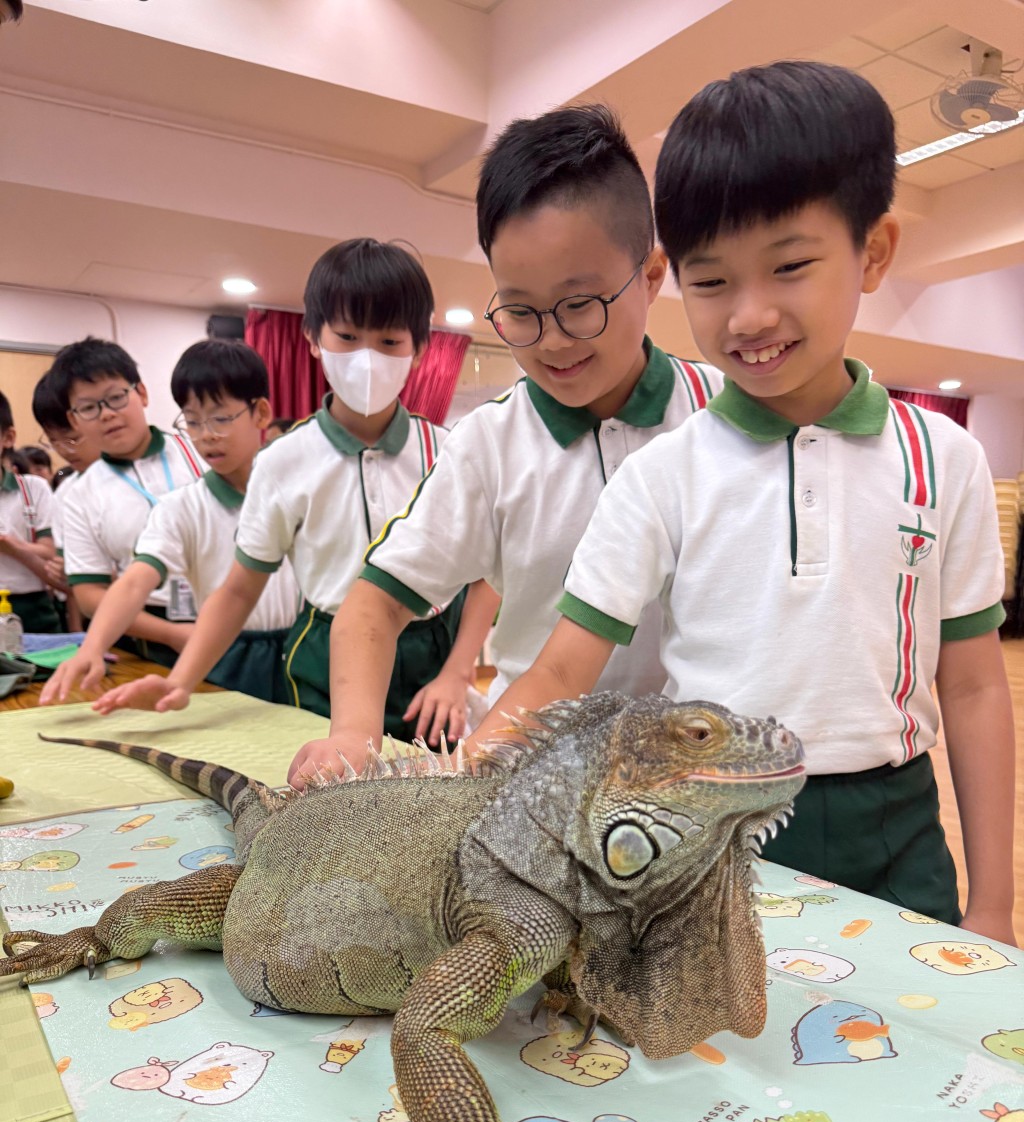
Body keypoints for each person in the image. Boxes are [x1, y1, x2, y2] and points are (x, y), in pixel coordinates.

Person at [472, 62, 1013, 943]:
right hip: (704, 824)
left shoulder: (942, 458)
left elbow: (978, 688)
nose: (750, 315)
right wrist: (465, 780)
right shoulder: (662, 475)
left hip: (897, 823)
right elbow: (560, 672)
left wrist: (995, 901)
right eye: (713, 281)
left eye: (791, 265)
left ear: (873, 252)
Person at [288, 105, 722, 784]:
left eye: (580, 305)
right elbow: (373, 605)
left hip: (699, 774)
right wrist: (352, 733)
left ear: (652, 274)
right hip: (535, 770)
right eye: (519, 311)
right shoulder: (489, 445)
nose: (550, 340)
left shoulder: (721, 414)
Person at [96, 238, 486, 738]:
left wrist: (458, 669)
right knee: (330, 801)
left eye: (389, 342)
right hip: (325, 654)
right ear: (312, 339)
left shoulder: (446, 449)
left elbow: (486, 574)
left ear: (420, 349)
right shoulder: (283, 461)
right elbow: (239, 590)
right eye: (346, 336)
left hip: (431, 652)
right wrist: (181, 682)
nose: (367, 358)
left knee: (434, 804)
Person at [41, 341, 299, 706]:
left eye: (220, 418)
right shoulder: (175, 506)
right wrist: (93, 645)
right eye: (193, 421)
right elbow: (133, 582)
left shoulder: (295, 485)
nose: (206, 434)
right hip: (217, 646)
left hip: (304, 643)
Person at [47, 337, 205, 666]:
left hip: (241, 616)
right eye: (89, 407)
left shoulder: (201, 450)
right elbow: (90, 595)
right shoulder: (77, 496)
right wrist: (171, 635)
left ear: (142, 393)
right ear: (74, 420)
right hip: (153, 637)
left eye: (116, 397)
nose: (107, 415)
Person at [31, 370, 103, 631]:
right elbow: (71, 584)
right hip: (107, 623)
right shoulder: (66, 493)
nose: (64, 450)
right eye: (53, 441)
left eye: (73, 438)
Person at [0, 391, 61, 631]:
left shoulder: (34, 488)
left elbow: (50, 552)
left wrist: (12, 545)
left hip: (32, 607)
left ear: (8, 437)